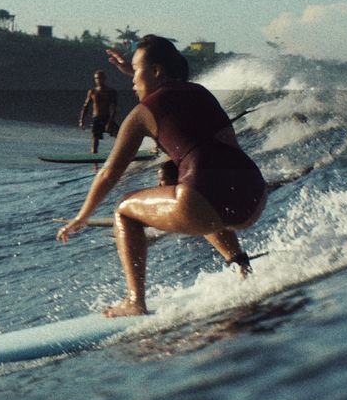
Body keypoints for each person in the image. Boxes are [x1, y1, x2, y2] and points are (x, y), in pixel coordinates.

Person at [56, 35, 267, 317]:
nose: (131, 81)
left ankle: (135, 302)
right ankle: (242, 266)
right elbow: (169, 94)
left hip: (204, 202)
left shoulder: (142, 115)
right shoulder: (200, 91)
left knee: (124, 211)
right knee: (178, 180)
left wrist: (81, 216)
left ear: (155, 71)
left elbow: (108, 174)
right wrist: (136, 71)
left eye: (135, 71)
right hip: (252, 195)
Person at [79, 70, 119, 153]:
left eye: (100, 78)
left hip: (107, 118)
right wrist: (81, 120)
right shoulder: (92, 92)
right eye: (96, 78)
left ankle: (121, 154)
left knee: (120, 135)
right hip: (96, 118)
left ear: (104, 78)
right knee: (95, 140)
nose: (98, 80)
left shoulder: (111, 92)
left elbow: (114, 108)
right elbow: (86, 106)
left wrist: (110, 122)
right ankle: (94, 163)